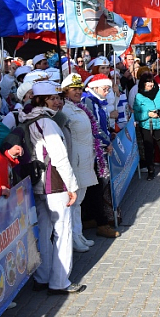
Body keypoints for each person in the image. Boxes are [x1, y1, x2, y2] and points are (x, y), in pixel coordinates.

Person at [18, 81, 86, 294]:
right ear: (41, 100)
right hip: (55, 182)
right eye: (52, 98)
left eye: (58, 98)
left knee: (46, 230)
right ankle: (59, 281)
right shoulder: (47, 122)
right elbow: (59, 156)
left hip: (39, 182)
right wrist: (72, 185)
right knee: (62, 232)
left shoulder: (30, 119)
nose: (57, 101)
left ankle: (43, 275)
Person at [60, 74, 104, 249]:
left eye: (79, 88)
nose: (78, 92)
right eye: (74, 89)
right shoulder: (65, 110)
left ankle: (78, 234)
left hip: (85, 159)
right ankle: (73, 237)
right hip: (75, 160)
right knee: (74, 201)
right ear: (65, 91)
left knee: (80, 201)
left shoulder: (79, 107)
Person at [134, 72, 160, 181]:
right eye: (147, 82)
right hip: (147, 126)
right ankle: (151, 171)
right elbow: (136, 114)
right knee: (149, 149)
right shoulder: (139, 96)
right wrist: (147, 115)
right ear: (143, 84)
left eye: (151, 82)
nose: (150, 84)